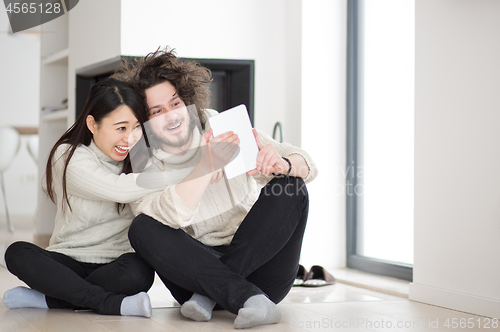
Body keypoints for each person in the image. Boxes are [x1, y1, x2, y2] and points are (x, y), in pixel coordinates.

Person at [115, 47, 319, 329]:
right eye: (157, 111)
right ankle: (242, 297)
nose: (172, 116)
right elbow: (166, 220)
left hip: (257, 275)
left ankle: (220, 296)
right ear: (145, 121)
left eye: (175, 104)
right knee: (142, 227)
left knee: (291, 187)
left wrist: (281, 162)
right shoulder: (142, 158)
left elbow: (308, 164)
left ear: (187, 101)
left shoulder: (219, 123)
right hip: (196, 277)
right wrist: (204, 166)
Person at [3, 78, 159, 317]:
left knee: (140, 271)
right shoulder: (68, 155)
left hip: (116, 263)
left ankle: (53, 299)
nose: (129, 139)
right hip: (67, 261)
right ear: (92, 124)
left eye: (136, 127)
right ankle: (110, 303)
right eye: (120, 128)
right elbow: (117, 188)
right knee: (17, 252)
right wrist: (175, 176)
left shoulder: (141, 158)